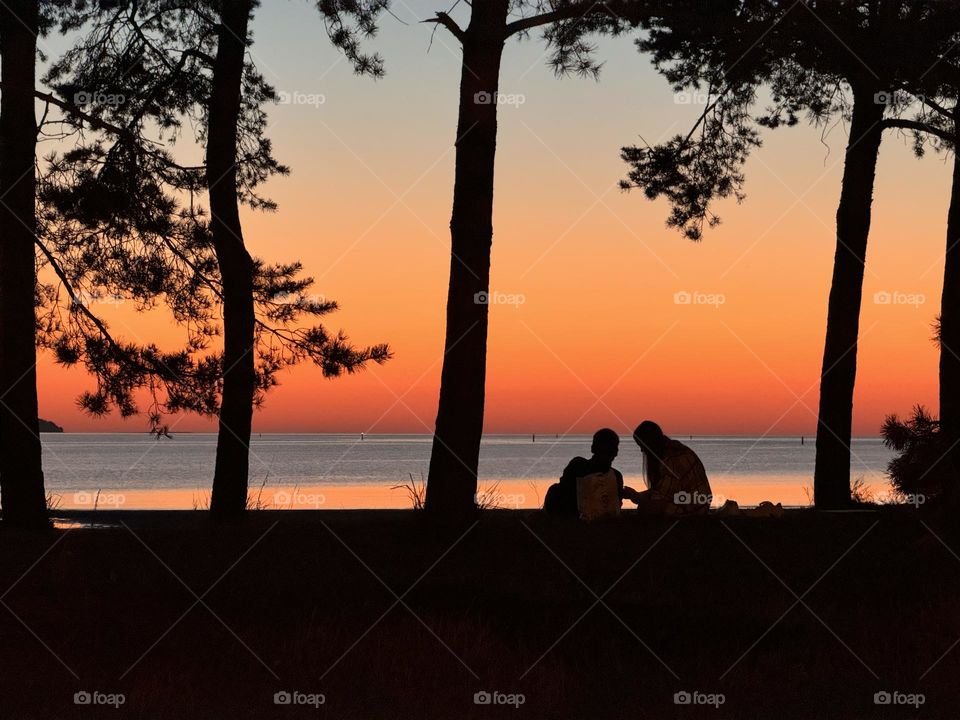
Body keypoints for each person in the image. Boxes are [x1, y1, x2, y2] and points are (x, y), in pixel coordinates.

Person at [622, 421, 713, 515]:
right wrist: (636, 495)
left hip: (695, 508)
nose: (641, 451)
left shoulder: (672, 459)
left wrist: (639, 498)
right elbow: (662, 490)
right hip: (692, 502)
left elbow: (662, 497)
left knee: (645, 509)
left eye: (642, 446)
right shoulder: (671, 450)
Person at [543, 429, 638, 517]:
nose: (610, 453)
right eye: (610, 449)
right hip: (574, 517)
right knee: (554, 489)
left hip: (576, 520)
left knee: (554, 489)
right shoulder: (579, 465)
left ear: (592, 448)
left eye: (611, 449)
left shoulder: (615, 476)